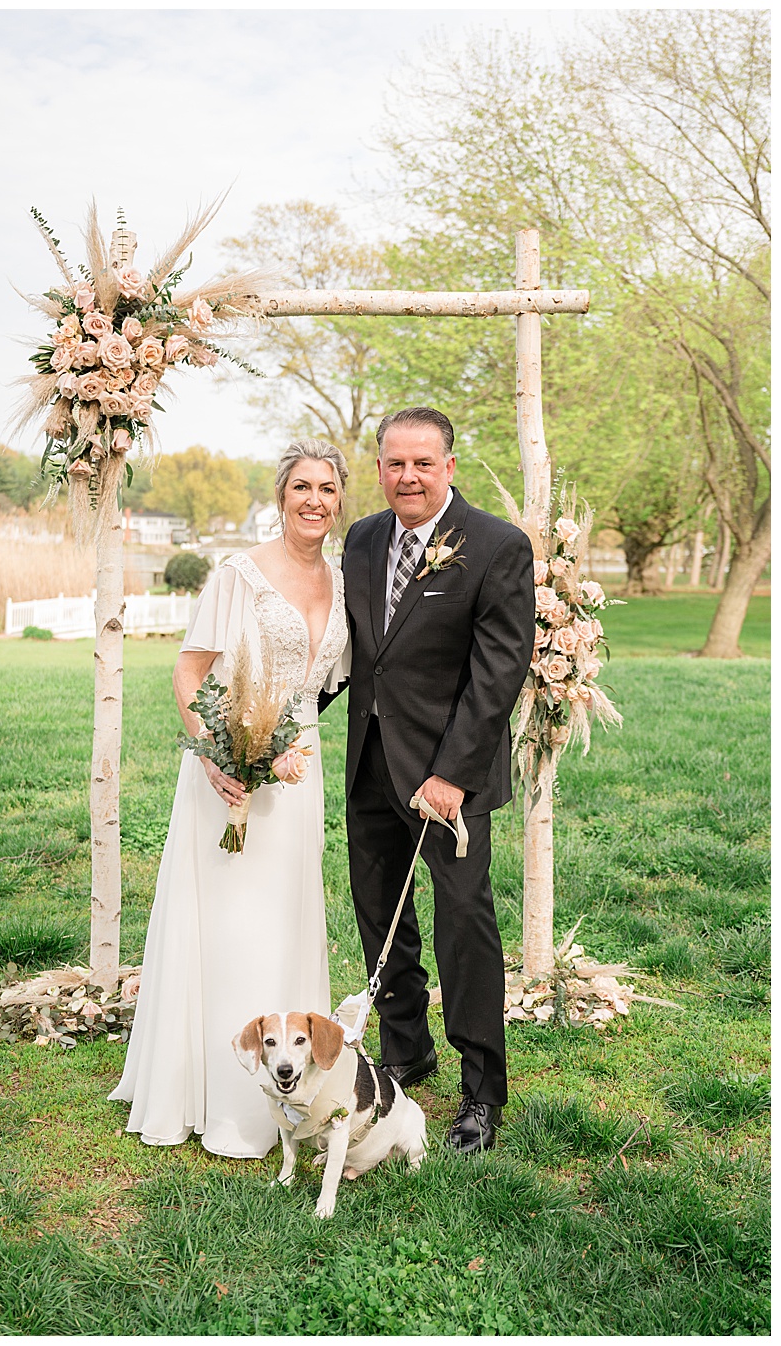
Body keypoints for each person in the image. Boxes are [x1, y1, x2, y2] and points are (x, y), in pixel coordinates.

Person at [111, 439, 350, 1157]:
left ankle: (295, 1086)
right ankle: (216, 1096)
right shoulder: (238, 574)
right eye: (302, 486)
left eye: (328, 488)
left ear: (341, 501)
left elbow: (328, 686)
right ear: (281, 497)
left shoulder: (342, 580)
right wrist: (217, 755)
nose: (315, 499)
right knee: (231, 927)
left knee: (284, 920)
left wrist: (287, 747)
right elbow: (188, 675)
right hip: (230, 774)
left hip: (298, 776)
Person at [329, 406, 534, 1152]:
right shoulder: (362, 539)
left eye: (422, 462)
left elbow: (498, 671)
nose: (407, 476)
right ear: (379, 467)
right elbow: (354, 650)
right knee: (382, 917)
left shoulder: (495, 547)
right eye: (394, 463)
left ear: (450, 466)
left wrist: (452, 774)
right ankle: (405, 1050)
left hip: (449, 779)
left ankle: (481, 1091)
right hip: (370, 761)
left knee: (463, 926)